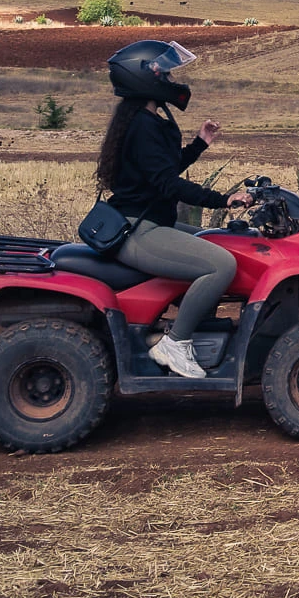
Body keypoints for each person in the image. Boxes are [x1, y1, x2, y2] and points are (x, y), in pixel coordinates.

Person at [97, 39, 249, 379]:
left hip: (150, 222)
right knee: (220, 265)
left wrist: (198, 145)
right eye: (162, 71)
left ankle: (202, 335)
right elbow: (168, 185)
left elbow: (160, 172)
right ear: (143, 77)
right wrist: (223, 199)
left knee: (219, 243)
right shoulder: (143, 125)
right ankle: (175, 343)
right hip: (138, 230)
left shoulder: (143, 119)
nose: (169, 78)